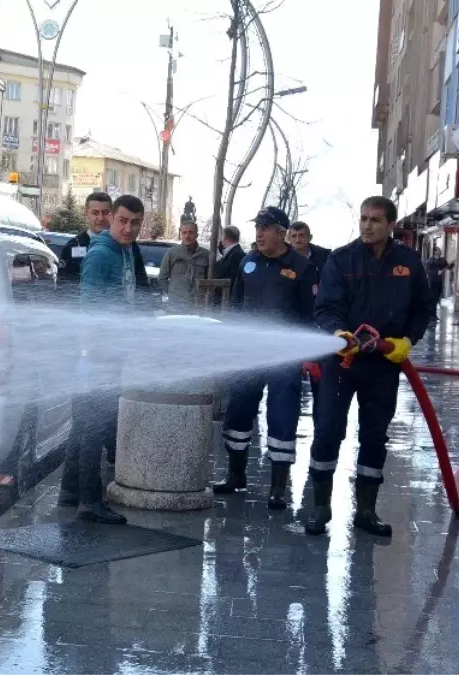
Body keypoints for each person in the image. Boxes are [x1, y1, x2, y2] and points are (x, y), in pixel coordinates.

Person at [306, 196, 431, 538]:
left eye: (375, 220)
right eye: (363, 218)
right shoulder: (341, 259)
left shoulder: (408, 263)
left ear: (391, 225)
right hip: (342, 362)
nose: (367, 225)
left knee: (375, 434)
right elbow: (325, 307)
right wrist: (338, 333)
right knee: (329, 429)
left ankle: (366, 511)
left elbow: (424, 309)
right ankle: (320, 506)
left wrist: (407, 340)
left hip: (383, 364)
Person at [213, 206, 317, 508]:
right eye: (257, 226)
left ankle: (278, 487)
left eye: (265, 227)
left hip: (284, 356)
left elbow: (309, 316)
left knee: (282, 415)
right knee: (239, 411)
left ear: (281, 232)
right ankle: (235, 475)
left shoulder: (301, 267)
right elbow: (236, 308)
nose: (258, 233)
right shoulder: (248, 263)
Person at [58, 194, 145, 524]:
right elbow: (89, 308)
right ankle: (90, 502)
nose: (128, 228)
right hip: (96, 355)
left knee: (84, 424)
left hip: (108, 353)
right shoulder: (101, 254)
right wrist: (91, 354)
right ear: (111, 219)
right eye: (122, 220)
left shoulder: (125, 251)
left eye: (135, 223)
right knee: (95, 427)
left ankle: (69, 491)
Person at [60, 191, 150, 291]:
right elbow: (63, 286)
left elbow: (141, 283)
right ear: (86, 214)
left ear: (111, 216)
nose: (101, 218)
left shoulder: (129, 244)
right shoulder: (73, 246)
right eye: (95, 213)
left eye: (105, 213)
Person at [158, 218, 210, 309]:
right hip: (175, 306)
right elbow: (162, 278)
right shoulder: (172, 253)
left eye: (191, 232)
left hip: (197, 306)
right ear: (180, 234)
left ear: (196, 234)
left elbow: (210, 280)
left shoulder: (205, 255)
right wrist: (172, 294)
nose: (187, 235)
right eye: (184, 233)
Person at [424, 246, 454, 316]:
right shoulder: (430, 260)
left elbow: (449, 267)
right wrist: (436, 272)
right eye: (438, 250)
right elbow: (427, 270)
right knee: (433, 298)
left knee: (437, 297)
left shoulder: (442, 260)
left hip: (439, 282)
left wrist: (452, 264)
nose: (440, 251)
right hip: (432, 281)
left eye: (440, 250)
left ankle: (433, 313)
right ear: (435, 252)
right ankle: (431, 314)